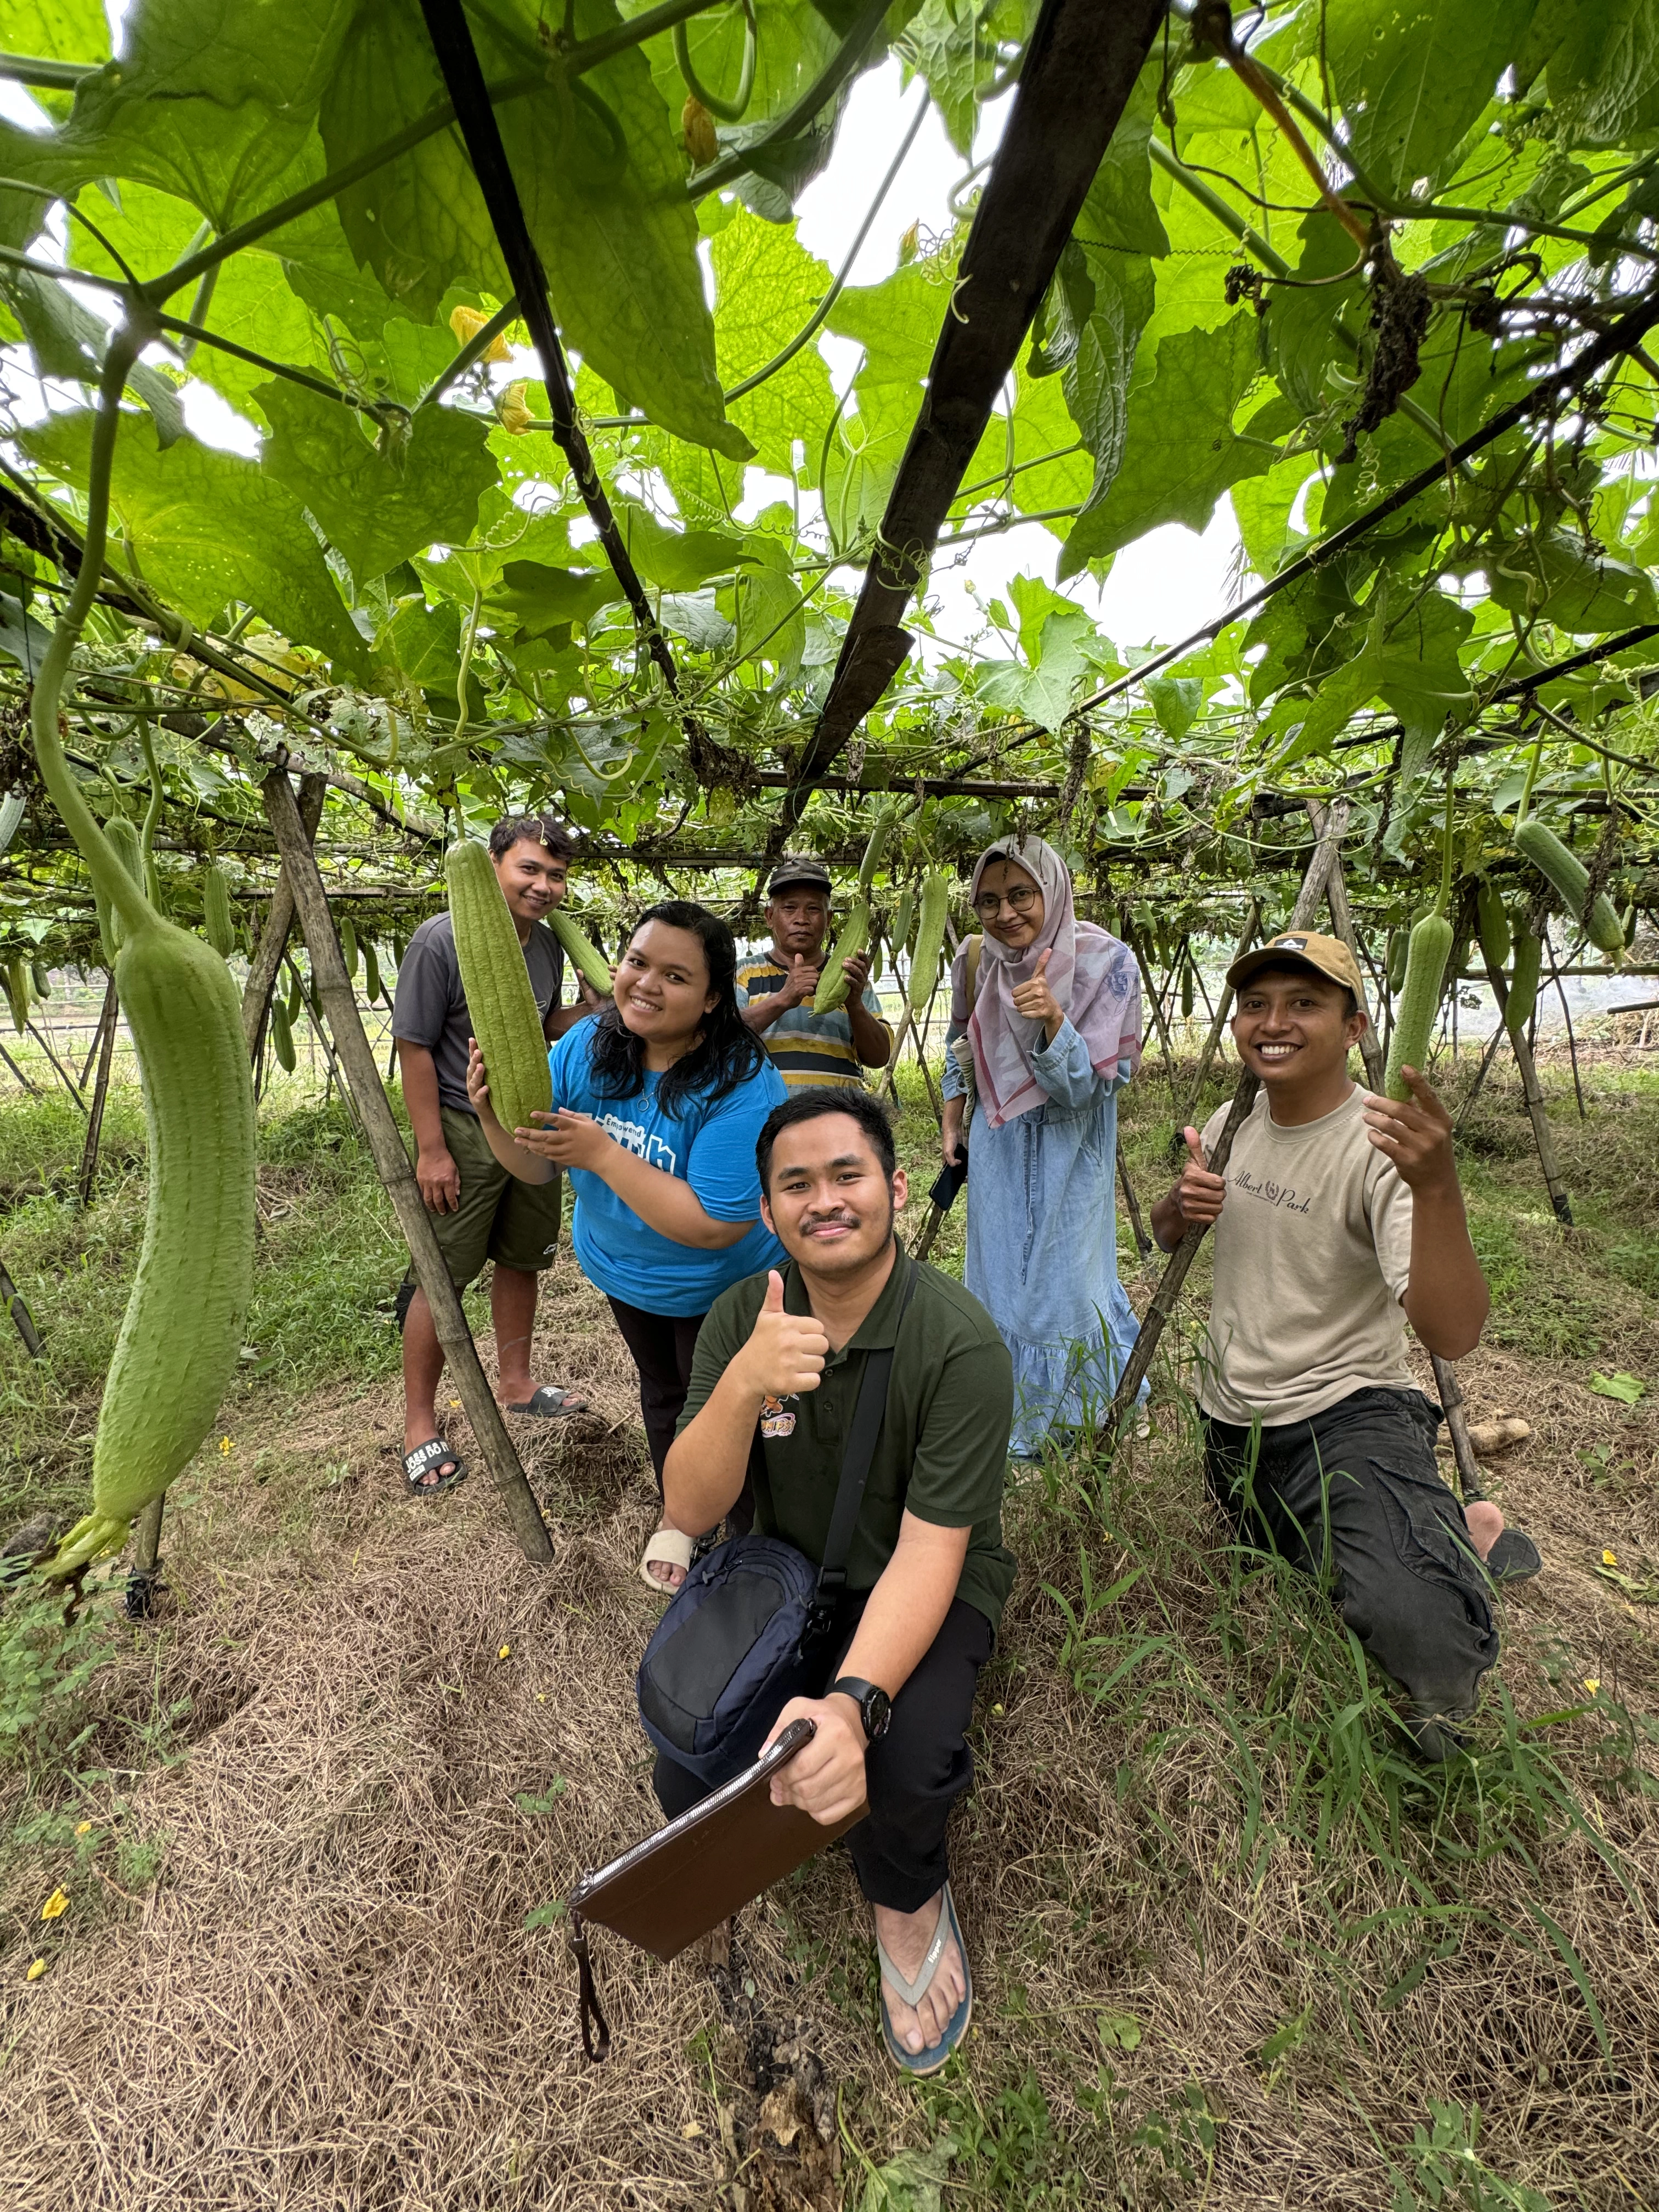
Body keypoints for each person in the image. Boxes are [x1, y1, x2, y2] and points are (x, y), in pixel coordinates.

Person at [657, 1088, 1014, 2075]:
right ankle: (769, 1840)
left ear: (894, 1188)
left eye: (847, 1174)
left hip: (918, 1577)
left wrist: (852, 1701)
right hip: (786, 1570)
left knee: (906, 1763)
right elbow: (688, 1507)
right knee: (687, 1765)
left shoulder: (959, 1345)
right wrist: (740, 1383)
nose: (825, 1200)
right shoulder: (742, 1313)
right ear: (768, 1214)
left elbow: (932, 1549)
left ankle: (904, 1904)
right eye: (795, 1185)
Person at [1149, 929, 1530, 1760]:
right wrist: (1180, 1207)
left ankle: (1451, 1548)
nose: (1273, 1022)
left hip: (1346, 1415)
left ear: (1355, 1027)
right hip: (1234, 1428)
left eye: (1305, 1004)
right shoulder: (1233, 1117)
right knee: (1290, 1586)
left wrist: (1438, 1186)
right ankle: (1459, 1528)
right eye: (1256, 1004)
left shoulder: (1381, 1143)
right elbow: (1166, 1234)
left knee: (1421, 1646)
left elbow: (1453, 1331)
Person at [466, 900, 787, 1589]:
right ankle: (685, 1515)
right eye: (638, 963)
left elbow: (716, 1223)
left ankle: (754, 1538)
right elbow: (535, 1164)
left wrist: (606, 1155)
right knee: (665, 1396)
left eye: (676, 976)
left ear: (710, 1000)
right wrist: (493, 1116)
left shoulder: (743, 1080)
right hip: (627, 1275)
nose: (646, 983)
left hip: (724, 1286)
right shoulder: (587, 1045)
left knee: (737, 1408)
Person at [391, 813, 604, 1496]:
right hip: (460, 1126)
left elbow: (539, 1028)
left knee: (522, 1257)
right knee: (443, 1272)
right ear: (491, 868)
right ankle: (419, 1424)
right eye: (531, 869)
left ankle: (517, 1383)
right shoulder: (440, 941)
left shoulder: (542, 947)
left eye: (557, 875)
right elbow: (415, 1048)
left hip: (529, 1122)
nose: (545, 886)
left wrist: (589, 1010)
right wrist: (431, 1151)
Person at [939, 834, 1145, 1455]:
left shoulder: (1108, 964)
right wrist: (952, 1120)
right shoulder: (976, 961)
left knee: (1069, 1282)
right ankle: (1009, 1412)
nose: (1006, 914)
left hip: (1071, 1149)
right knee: (998, 1281)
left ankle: (1076, 1414)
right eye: (989, 900)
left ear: (1051, 891)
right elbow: (960, 1045)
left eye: (1021, 894)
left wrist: (1055, 1022)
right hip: (999, 1148)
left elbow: (1091, 1090)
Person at [736, 857, 892, 1091]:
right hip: (766, 1119)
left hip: (838, 1116)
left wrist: (855, 1004)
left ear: (828, 919)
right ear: (770, 916)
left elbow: (879, 1059)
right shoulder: (743, 973)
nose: (801, 919)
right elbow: (721, 1042)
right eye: (789, 908)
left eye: (813, 909)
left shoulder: (851, 975)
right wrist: (783, 999)